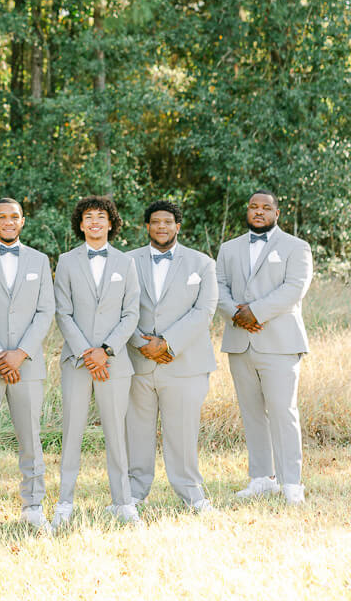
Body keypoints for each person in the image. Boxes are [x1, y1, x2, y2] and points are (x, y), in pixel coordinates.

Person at [216, 189, 313, 504]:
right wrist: (235, 313)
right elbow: (218, 286)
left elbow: (294, 289)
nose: (259, 211)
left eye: (266, 207)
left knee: (284, 411)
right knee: (251, 412)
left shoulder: (296, 247)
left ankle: (291, 483)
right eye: (253, 207)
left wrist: (254, 312)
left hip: (280, 342)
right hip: (240, 342)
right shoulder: (229, 249)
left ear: (276, 213)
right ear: (247, 211)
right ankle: (261, 478)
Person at [52, 195, 140, 528]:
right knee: (72, 430)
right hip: (77, 362)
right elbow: (63, 312)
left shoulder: (125, 263)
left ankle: (123, 501)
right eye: (88, 217)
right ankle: (64, 502)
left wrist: (106, 349)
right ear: (80, 223)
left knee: (117, 432)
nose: (94, 222)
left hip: (114, 362)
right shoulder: (66, 261)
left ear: (111, 222)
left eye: (101, 216)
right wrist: (87, 353)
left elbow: (131, 313)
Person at [0, 196, 54, 530]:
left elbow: (46, 311)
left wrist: (20, 353)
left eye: (14, 216)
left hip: (27, 364)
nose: (8, 221)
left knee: (30, 436)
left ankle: (33, 505)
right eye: (2, 217)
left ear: (23, 220)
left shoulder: (39, 260)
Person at [126, 199, 218, 512]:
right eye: (155, 222)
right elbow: (119, 310)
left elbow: (204, 311)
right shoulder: (127, 261)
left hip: (185, 362)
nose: (161, 227)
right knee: (137, 431)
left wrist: (167, 343)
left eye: (168, 222)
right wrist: (142, 343)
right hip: (138, 361)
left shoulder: (202, 263)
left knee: (182, 432)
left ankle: (192, 495)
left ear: (177, 226)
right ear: (147, 226)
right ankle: (134, 493)